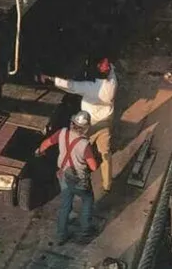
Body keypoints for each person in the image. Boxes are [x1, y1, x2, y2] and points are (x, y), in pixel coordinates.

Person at [39, 57, 118, 192]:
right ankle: (107, 184)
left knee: (80, 150)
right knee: (105, 153)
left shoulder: (89, 88)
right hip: (106, 123)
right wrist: (109, 66)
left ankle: (79, 177)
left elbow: (69, 85)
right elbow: (111, 70)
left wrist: (50, 78)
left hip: (88, 125)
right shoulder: (112, 84)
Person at [35, 110, 98, 245]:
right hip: (79, 179)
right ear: (86, 128)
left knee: (65, 205)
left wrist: (39, 151)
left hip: (63, 175)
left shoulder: (62, 133)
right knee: (87, 200)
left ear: (72, 123)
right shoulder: (84, 144)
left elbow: (46, 143)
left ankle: (61, 235)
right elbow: (93, 167)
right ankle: (85, 230)